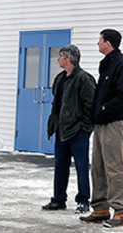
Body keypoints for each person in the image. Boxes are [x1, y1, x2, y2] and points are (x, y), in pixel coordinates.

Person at [79, 29, 123, 228]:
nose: (97, 43)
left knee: (114, 167)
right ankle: (100, 208)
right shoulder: (107, 64)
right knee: (99, 166)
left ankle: (121, 211)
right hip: (101, 122)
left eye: (100, 40)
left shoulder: (122, 64)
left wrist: (103, 109)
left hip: (114, 122)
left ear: (108, 43)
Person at [42, 44, 96, 214]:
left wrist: (85, 127)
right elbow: (56, 103)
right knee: (60, 165)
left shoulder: (83, 78)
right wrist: (54, 124)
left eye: (60, 56)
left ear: (69, 58)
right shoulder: (60, 78)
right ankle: (58, 199)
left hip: (78, 130)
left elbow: (90, 105)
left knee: (81, 165)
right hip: (61, 130)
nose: (58, 59)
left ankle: (83, 200)